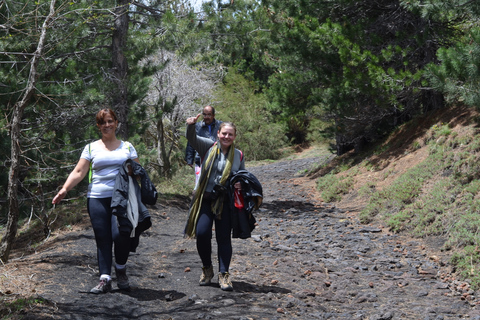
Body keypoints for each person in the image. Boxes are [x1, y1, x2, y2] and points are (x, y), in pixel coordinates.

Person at [52, 108, 142, 294]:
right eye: (103, 123)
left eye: (110, 121)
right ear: (98, 126)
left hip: (122, 198)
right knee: (103, 238)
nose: (107, 125)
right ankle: (105, 278)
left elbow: (139, 171)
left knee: (120, 235)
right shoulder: (91, 148)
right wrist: (64, 189)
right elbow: (79, 172)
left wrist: (133, 172)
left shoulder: (127, 147)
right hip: (97, 198)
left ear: (116, 123)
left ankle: (121, 268)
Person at [184, 114, 245, 291]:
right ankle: (207, 269)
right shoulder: (207, 147)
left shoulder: (238, 155)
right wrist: (191, 125)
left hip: (225, 201)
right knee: (202, 233)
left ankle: (224, 274)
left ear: (234, 137)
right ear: (218, 133)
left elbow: (242, 175)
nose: (227, 137)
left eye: (230, 134)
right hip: (205, 198)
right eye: (224, 133)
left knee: (223, 238)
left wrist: (240, 184)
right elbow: (191, 137)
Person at [184, 106, 222, 190]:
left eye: (209, 115)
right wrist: (189, 159)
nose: (206, 117)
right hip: (200, 159)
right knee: (200, 186)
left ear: (213, 115)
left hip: (217, 159)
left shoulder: (220, 125)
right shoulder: (197, 126)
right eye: (204, 115)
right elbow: (191, 142)